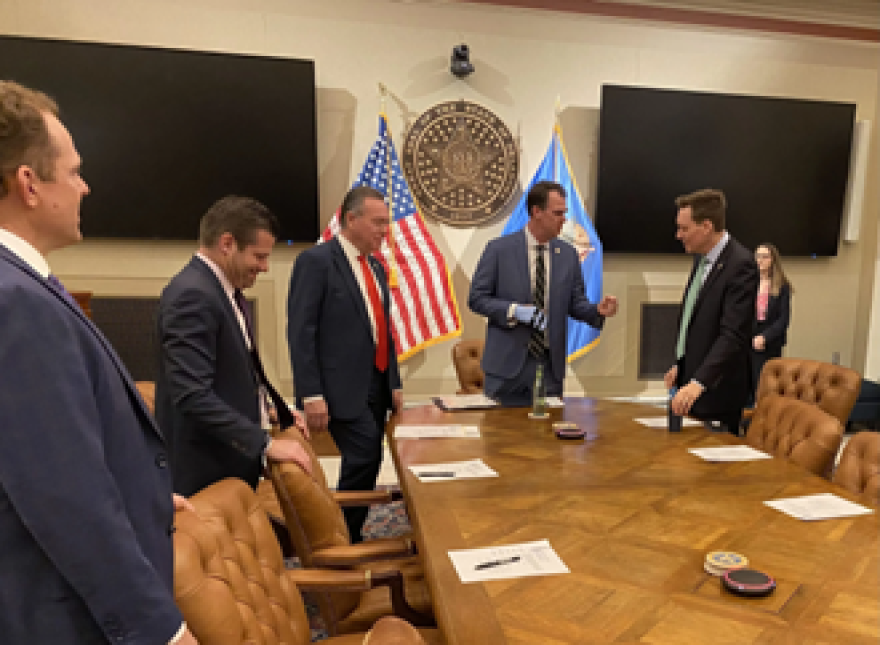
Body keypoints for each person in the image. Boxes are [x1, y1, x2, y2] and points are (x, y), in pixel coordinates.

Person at [0, 80, 196, 644]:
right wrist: (158, 629)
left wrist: (144, 493)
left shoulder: (27, 286)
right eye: (75, 171)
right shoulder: (15, 302)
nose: (85, 187)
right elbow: (62, 495)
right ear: (30, 184)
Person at [155, 195, 313, 497]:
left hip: (227, 464)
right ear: (227, 244)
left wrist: (275, 409)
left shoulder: (221, 290)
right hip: (206, 471)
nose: (265, 267)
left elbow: (236, 370)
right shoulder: (192, 296)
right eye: (259, 256)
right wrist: (265, 443)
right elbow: (192, 394)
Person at [287, 185, 402, 543]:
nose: (384, 230)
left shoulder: (376, 268)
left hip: (376, 383)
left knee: (368, 458)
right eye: (378, 222)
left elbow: (384, 331)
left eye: (387, 223)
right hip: (338, 388)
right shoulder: (317, 262)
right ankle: (339, 537)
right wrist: (311, 393)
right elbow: (301, 332)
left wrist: (394, 382)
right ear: (350, 218)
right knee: (365, 454)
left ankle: (348, 531)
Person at [468, 180, 618, 405]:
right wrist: (513, 311)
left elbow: (576, 303)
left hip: (549, 368)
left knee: (547, 435)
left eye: (564, 213)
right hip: (507, 369)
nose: (564, 219)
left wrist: (597, 309)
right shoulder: (499, 250)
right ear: (536, 212)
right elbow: (477, 299)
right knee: (502, 437)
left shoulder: (567, 254)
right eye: (557, 213)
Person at [664, 188, 758, 435]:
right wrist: (682, 364)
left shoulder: (741, 265)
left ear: (706, 226)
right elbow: (697, 322)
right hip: (690, 388)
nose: (678, 235)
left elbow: (733, 335)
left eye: (684, 229)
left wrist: (699, 383)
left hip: (717, 394)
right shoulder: (701, 258)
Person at [750, 243, 793, 400]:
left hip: (770, 342)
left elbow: (783, 319)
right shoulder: (747, 284)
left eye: (764, 256)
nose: (759, 260)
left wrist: (765, 337)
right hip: (749, 338)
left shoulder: (782, 287)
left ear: (773, 260)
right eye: (757, 256)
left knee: (765, 385)